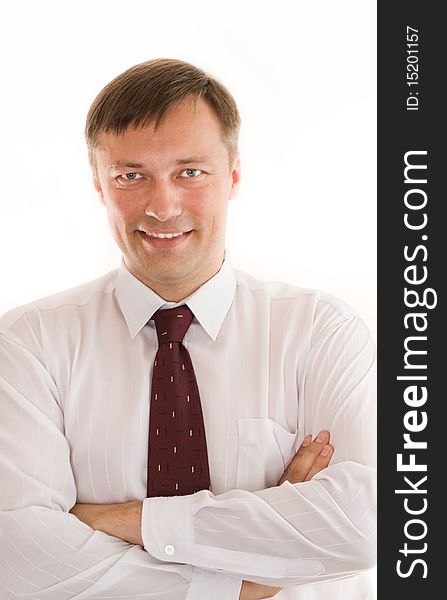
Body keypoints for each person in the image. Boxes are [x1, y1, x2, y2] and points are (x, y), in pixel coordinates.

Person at [0, 59, 376, 599]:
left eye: (190, 172)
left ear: (234, 176)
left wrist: (130, 520)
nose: (163, 206)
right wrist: (253, 577)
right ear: (100, 186)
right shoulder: (28, 345)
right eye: (131, 175)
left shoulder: (322, 332)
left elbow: (370, 522)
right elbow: (18, 554)